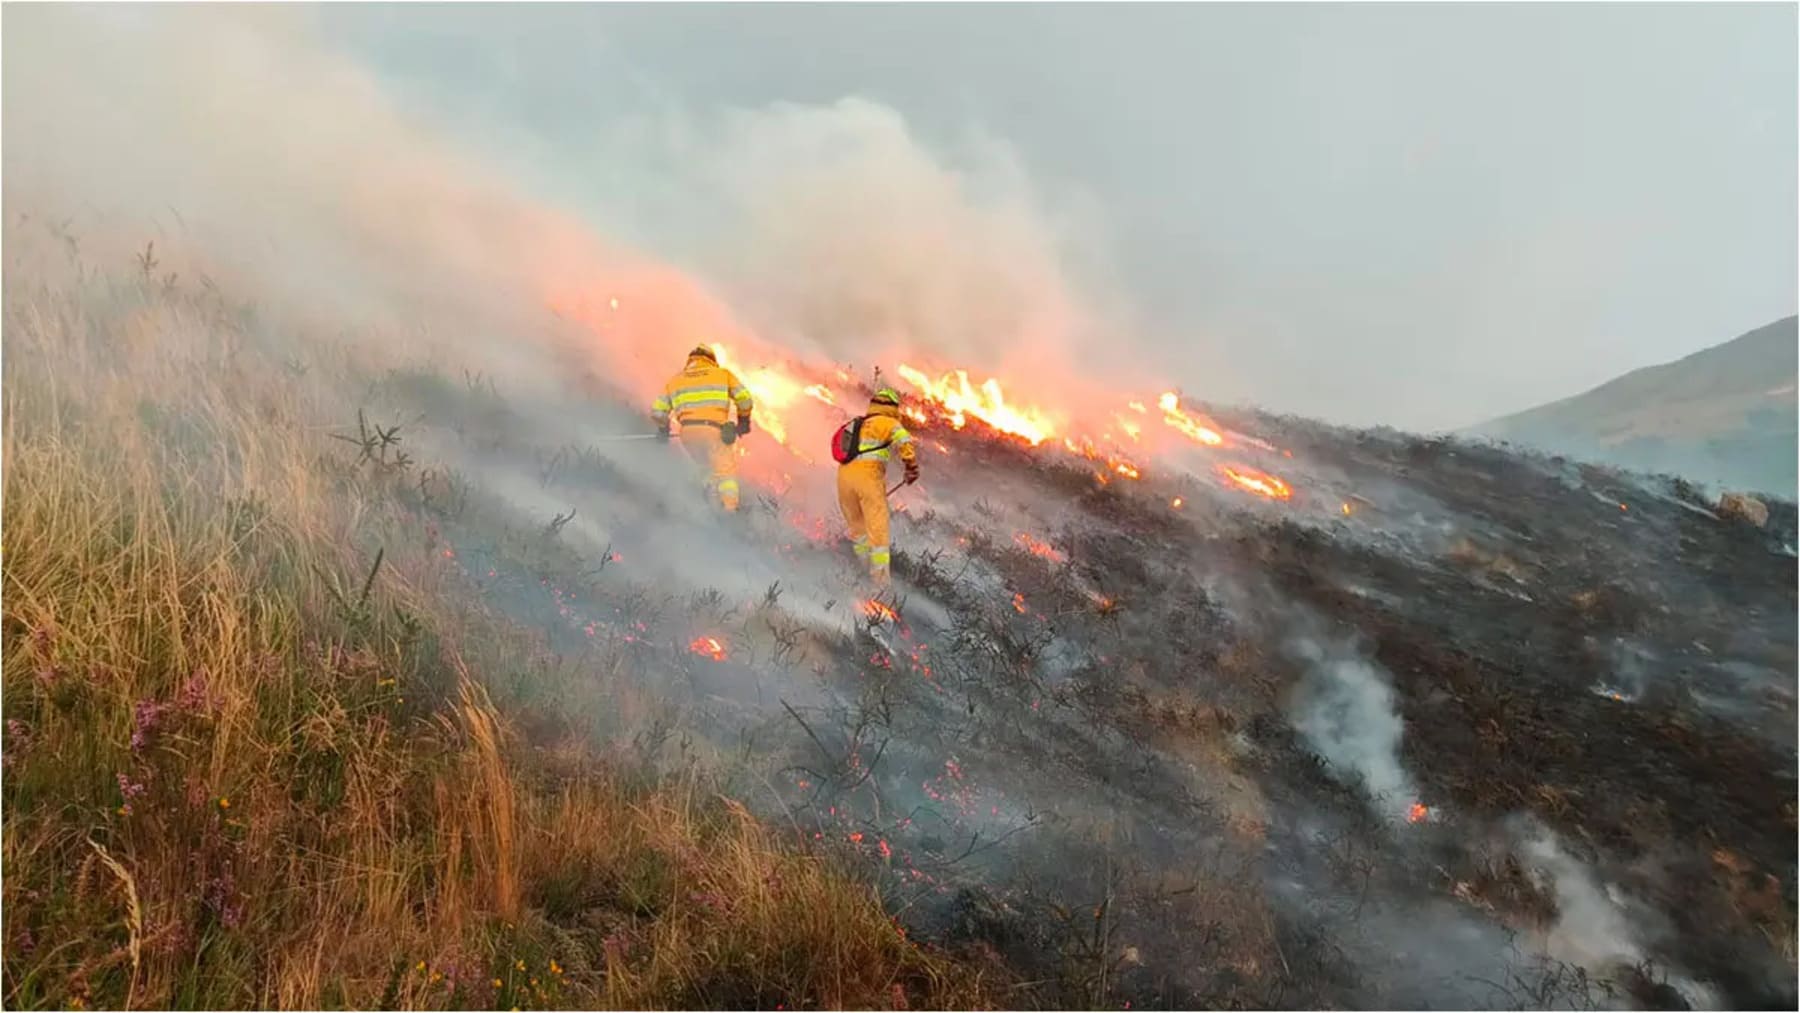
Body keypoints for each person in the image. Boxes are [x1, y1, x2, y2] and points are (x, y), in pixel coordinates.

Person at [650, 344, 754, 512]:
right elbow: (745, 399)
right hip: (714, 431)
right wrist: (743, 422)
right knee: (725, 473)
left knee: (705, 469)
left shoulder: (676, 380)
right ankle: (729, 512)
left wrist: (663, 430)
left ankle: (710, 507)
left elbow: (658, 412)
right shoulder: (722, 374)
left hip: (688, 434)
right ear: (711, 360)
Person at [837, 387, 919, 584]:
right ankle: (880, 585)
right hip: (868, 480)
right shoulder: (890, 423)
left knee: (858, 529)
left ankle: (861, 571)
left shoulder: (858, 423)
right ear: (892, 407)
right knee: (878, 531)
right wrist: (911, 468)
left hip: (843, 479)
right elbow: (905, 444)